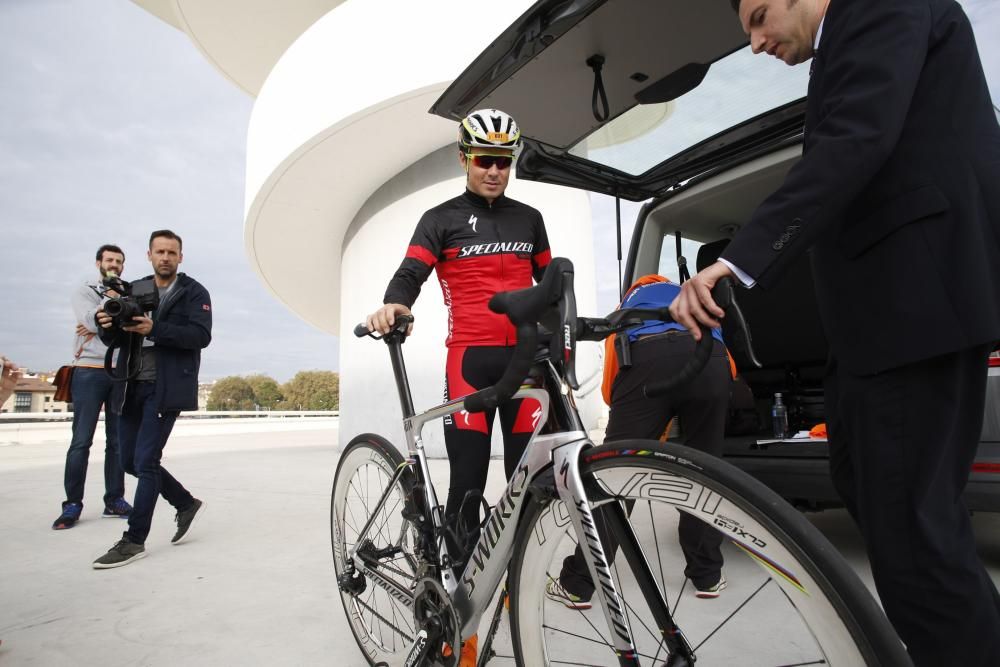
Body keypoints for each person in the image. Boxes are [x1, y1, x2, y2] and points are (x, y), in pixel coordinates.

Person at [671, 1, 1000, 664]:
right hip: (880, 330)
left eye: (760, 16)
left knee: (915, 543)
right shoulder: (852, 39)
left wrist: (736, 257)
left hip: (918, 314)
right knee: (892, 510)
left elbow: (856, 138)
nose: (758, 42)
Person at [366, 108, 551, 665]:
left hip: (527, 366)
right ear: (464, 158)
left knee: (529, 486)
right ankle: (463, 609)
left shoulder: (530, 218)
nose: (495, 170)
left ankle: (516, 579)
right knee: (467, 486)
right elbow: (411, 273)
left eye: (504, 161)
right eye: (485, 160)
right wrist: (395, 302)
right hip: (467, 363)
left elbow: (548, 286)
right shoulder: (439, 217)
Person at [545, 275, 733, 610]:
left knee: (615, 474)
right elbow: (728, 366)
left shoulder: (629, 307)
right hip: (709, 357)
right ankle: (708, 575)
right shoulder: (691, 294)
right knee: (705, 470)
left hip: (646, 359)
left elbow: (610, 387)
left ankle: (579, 583)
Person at [92, 230, 211, 569]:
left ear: (180, 257)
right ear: (149, 255)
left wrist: (154, 329)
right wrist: (105, 323)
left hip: (166, 388)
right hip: (130, 384)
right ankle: (185, 503)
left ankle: (133, 540)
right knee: (129, 461)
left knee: (146, 462)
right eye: (159, 251)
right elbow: (117, 331)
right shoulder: (135, 287)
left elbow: (201, 336)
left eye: (171, 252)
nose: (165, 257)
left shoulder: (193, 291)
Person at [52, 244, 132, 530]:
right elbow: (89, 320)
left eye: (119, 261)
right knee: (81, 441)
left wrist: (109, 317)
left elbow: (129, 325)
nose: (114, 264)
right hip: (88, 370)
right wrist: (106, 309)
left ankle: (115, 499)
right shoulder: (84, 290)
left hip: (117, 370)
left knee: (117, 442)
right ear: (99, 262)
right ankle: (72, 503)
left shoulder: (128, 291)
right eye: (109, 260)